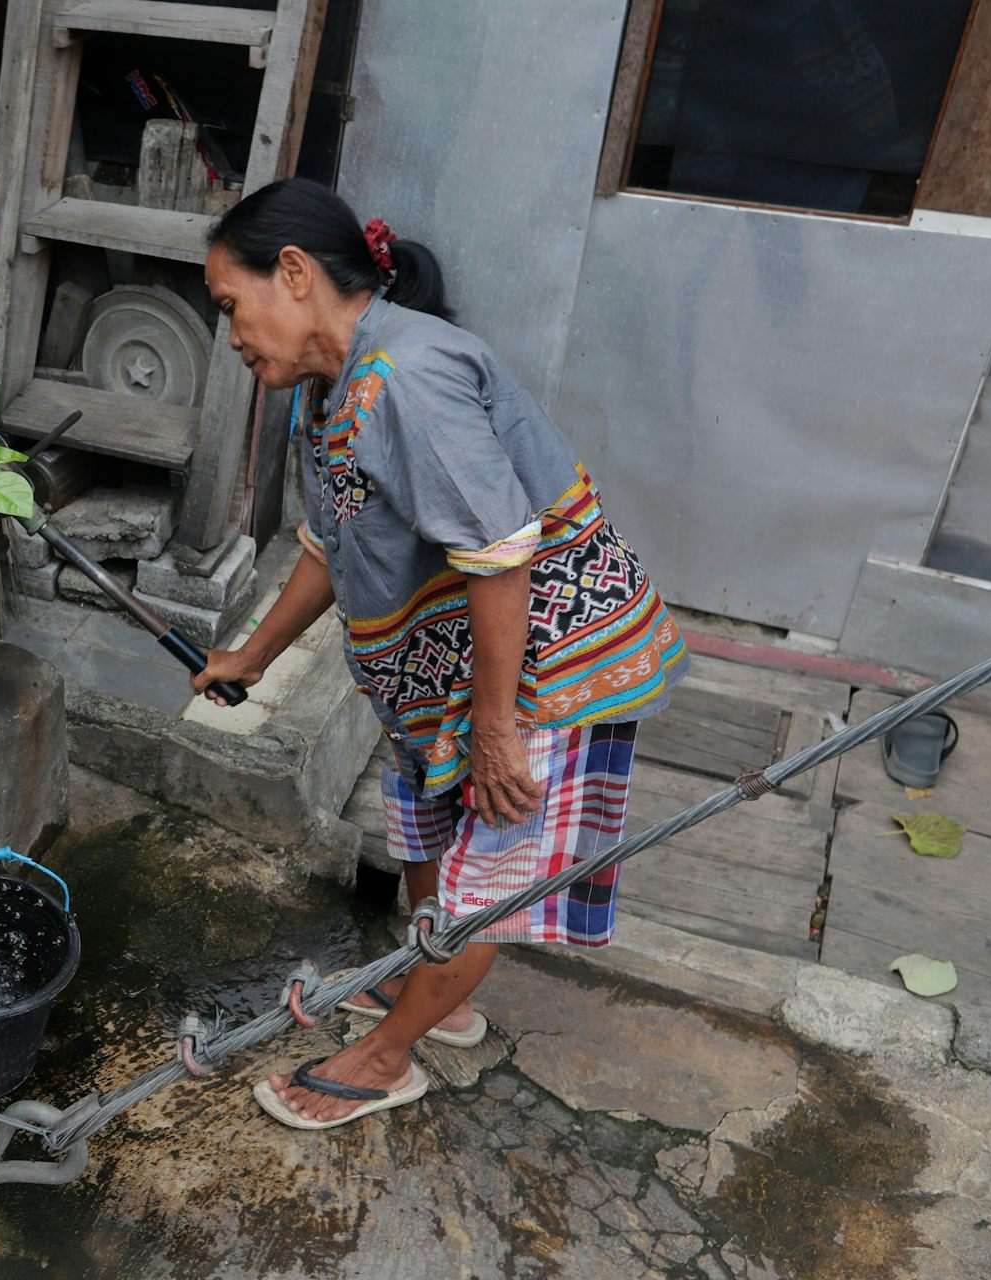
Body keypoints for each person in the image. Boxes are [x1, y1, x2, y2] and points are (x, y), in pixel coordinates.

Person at [193, 179, 689, 1130]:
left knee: (484, 877)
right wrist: (252, 655)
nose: (233, 334)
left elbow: (502, 553)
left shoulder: (409, 377)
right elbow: (330, 545)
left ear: (292, 274)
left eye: (230, 306)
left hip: (542, 670)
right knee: (431, 845)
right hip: (457, 677)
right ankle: (441, 998)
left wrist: (499, 730)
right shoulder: (330, 387)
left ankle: (386, 1059)